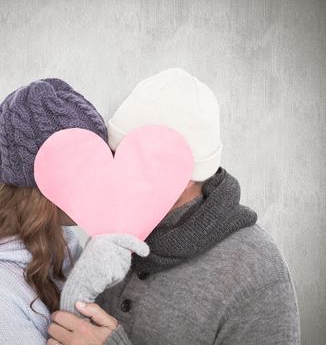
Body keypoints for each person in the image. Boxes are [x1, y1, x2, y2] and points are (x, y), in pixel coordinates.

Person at [47, 68, 301, 345]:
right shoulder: (115, 231)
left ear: (184, 174)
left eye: (136, 160)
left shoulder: (257, 275)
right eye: (116, 155)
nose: (116, 174)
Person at [0, 78, 148, 345]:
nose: (104, 182)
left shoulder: (64, 241)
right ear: (49, 181)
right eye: (90, 167)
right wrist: (79, 294)